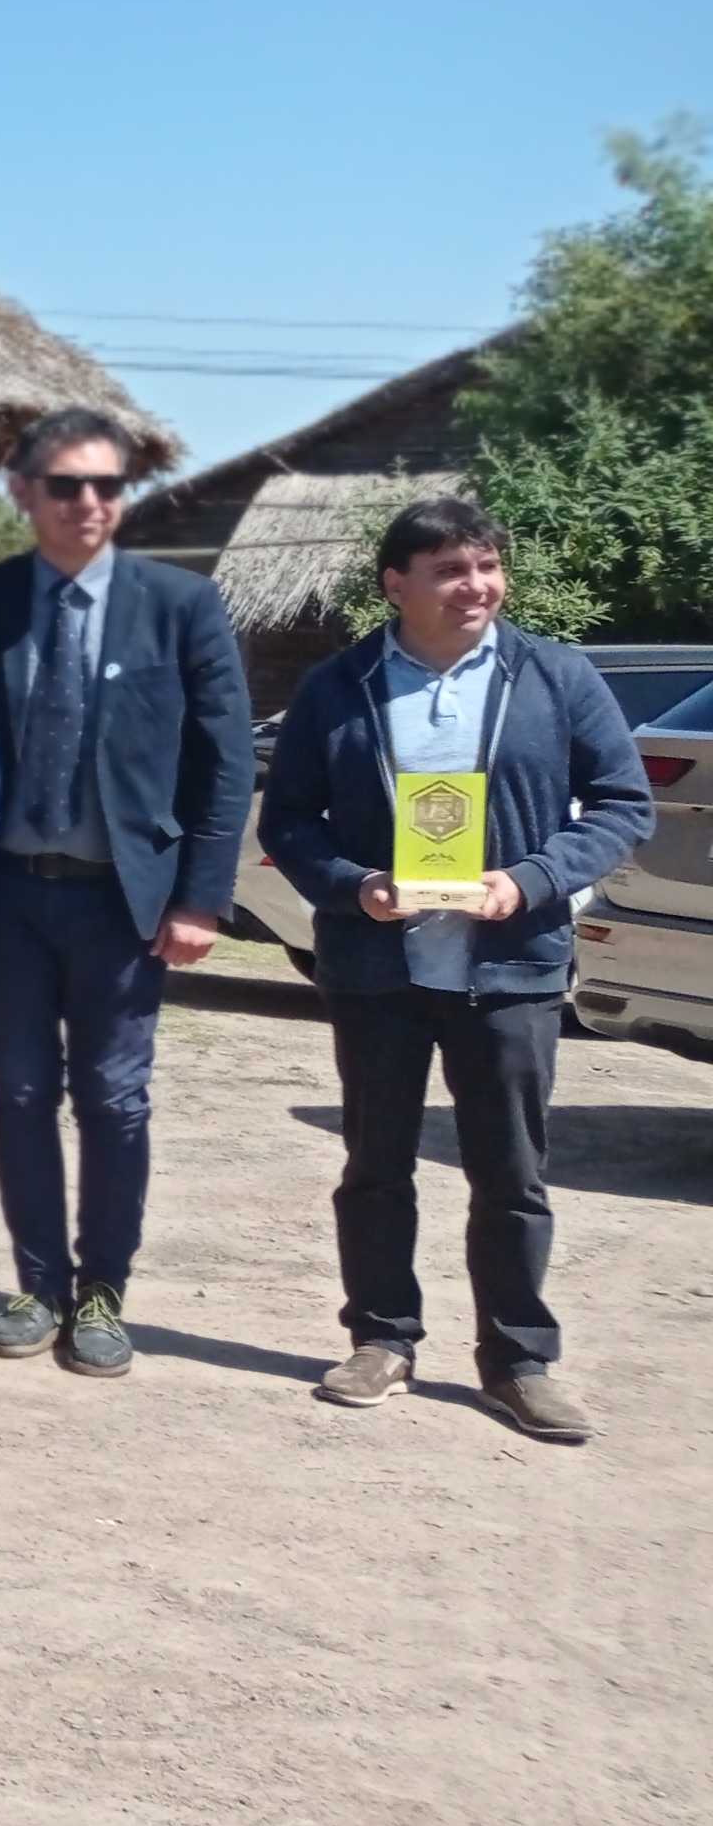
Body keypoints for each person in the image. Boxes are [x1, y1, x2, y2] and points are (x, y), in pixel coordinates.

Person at [261, 498, 653, 1443]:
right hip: (375, 971)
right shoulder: (340, 685)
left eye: (485, 566)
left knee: (511, 1175)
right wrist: (354, 886)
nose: (475, 585)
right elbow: (287, 822)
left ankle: (519, 1361)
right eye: (450, 570)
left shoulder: (554, 676)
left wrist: (530, 880)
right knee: (375, 1167)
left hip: (507, 968)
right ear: (397, 585)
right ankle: (381, 1339)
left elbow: (620, 804)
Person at [0, 407, 253, 1376]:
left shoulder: (180, 604)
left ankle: (102, 1293)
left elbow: (224, 760)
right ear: (22, 492)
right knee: (18, 1091)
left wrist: (200, 897)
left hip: (124, 904)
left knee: (113, 1100)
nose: (88, 503)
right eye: (66, 485)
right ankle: (37, 1285)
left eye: (106, 486)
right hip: (4, 898)